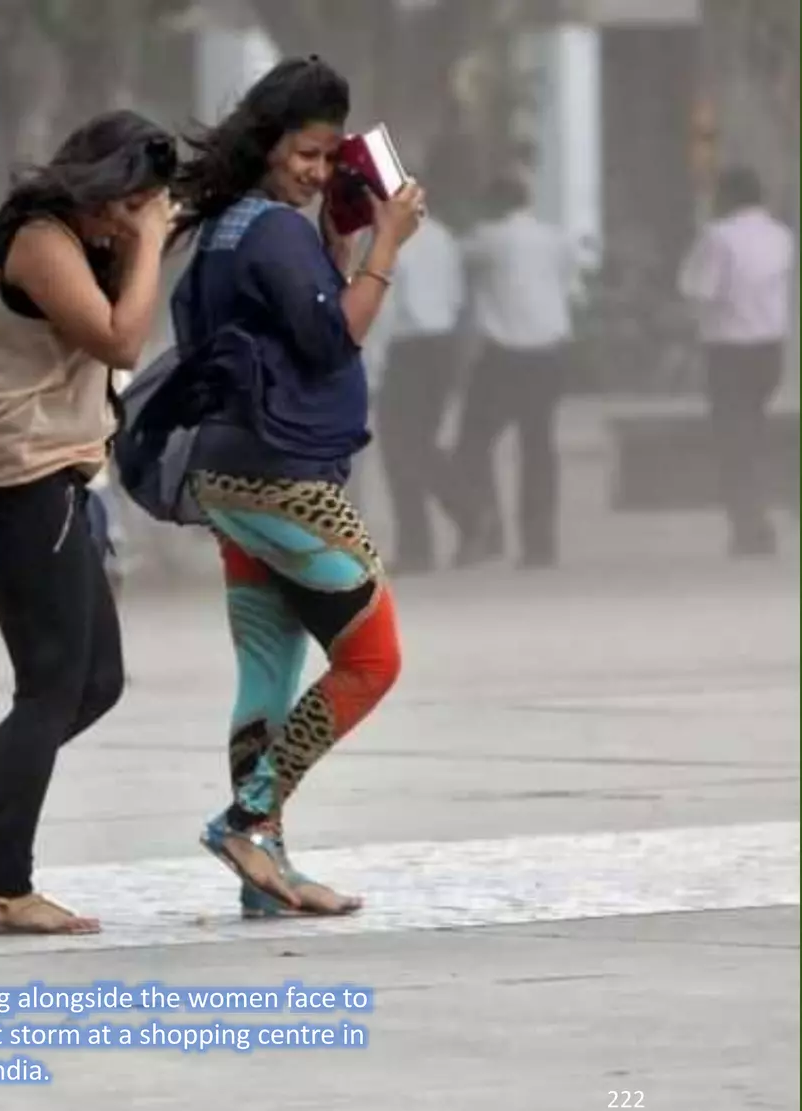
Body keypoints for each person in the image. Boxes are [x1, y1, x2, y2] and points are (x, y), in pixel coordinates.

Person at [0, 111, 176, 937]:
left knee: (96, 682)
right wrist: (149, 241)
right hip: (22, 485)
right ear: (95, 186)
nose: (130, 219)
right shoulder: (44, 242)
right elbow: (123, 340)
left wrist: (143, 234)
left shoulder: (80, 240)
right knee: (51, 686)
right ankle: (5, 887)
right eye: (126, 203)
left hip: (50, 482)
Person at [165, 56, 422, 918]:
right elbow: (333, 339)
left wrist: (339, 249)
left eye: (326, 160)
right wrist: (385, 247)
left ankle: (263, 871)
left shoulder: (227, 230)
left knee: (269, 668)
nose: (314, 174)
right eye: (304, 155)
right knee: (373, 657)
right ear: (269, 143)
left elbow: (274, 327)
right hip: (284, 478)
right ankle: (247, 820)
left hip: (227, 475)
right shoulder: (273, 230)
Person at [450, 174, 584, 569]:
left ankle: (486, 529)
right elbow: (569, 287)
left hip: (504, 355)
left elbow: (453, 255)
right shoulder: (555, 239)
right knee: (538, 447)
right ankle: (540, 543)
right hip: (551, 353)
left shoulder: (487, 239)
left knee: (472, 445)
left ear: (492, 205)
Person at [678, 166, 794, 558]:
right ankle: (758, 516)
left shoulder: (719, 237)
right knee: (752, 436)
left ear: (726, 197)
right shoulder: (782, 236)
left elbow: (698, 288)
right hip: (770, 351)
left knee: (733, 442)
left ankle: (751, 527)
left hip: (730, 352)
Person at [371, 191, 470, 574]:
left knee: (400, 451)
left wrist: (374, 370)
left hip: (406, 351)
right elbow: (457, 297)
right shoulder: (443, 236)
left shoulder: (391, 242)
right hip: (440, 345)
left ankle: (424, 542)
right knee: (421, 445)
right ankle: (467, 517)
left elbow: (387, 311)